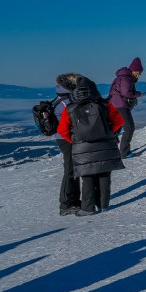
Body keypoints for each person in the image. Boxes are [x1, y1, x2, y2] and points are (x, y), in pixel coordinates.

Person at [56, 75, 125, 216]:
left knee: (87, 176)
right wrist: (108, 133)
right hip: (105, 145)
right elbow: (119, 121)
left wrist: (75, 141)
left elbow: (62, 130)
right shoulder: (105, 105)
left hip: (82, 147)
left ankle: (87, 208)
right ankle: (103, 205)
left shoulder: (70, 109)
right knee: (104, 175)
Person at [53, 73, 81, 215]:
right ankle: (66, 204)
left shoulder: (64, 98)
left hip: (66, 137)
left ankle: (74, 201)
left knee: (74, 169)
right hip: (66, 138)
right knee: (70, 170)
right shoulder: (66, 102)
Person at [108, 57, 143, 158]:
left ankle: (109, 150)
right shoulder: (127, 78)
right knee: (129, 128)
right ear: (135, 70)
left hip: (113, 105)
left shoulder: (120, 77)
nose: (139, 74)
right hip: (120, 106)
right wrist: (138, 94)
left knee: (116, 128)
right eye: (139, 72)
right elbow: (126, 93)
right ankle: (124, 152)